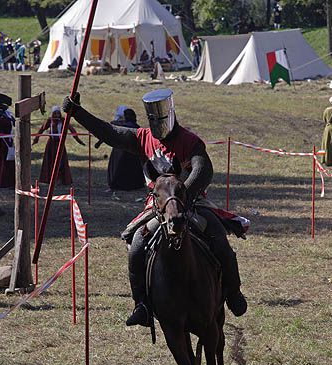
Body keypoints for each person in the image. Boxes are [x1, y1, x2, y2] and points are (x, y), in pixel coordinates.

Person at [62, 88, 247, 327]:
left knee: (218, 238)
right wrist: (78, 113)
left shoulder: (190, 142)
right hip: (158, 207)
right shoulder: (143, 138)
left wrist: (182, 197)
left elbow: (203, 170)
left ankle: (233, 293)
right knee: (137, 245)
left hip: (191, 202)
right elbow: (109, 133)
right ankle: (142, 306)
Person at [32, 105, 85, 185]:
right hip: (51, 144)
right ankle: (49, 179)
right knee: (50, 161)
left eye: (58, 113)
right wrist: (36, 139)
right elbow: (41, 129)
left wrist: (77, 139)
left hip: (60, 144)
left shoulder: (63, 121)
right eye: (55, 113)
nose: (57, 115)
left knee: (60, 162)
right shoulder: (50, 121)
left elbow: (71, 129)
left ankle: (60, 179)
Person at [107, 107, 145, 191]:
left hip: (121, 153)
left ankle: (116, 185)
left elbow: (112, 124)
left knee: (118, 170)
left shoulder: (121, 126)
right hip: (132, 153)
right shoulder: (137, 127)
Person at [0, 93, 15, 188]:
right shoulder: (1, 116)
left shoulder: (7, 114)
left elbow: (14, 123)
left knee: (9, 160)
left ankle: (9, 181)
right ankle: (3, 181)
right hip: (2, 142)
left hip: (9, 140)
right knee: (3, 159)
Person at [321, 99, 332, 166]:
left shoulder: (327, 110)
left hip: (329, 128)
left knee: (327, 144)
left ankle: (327, 160)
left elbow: (324, 119)